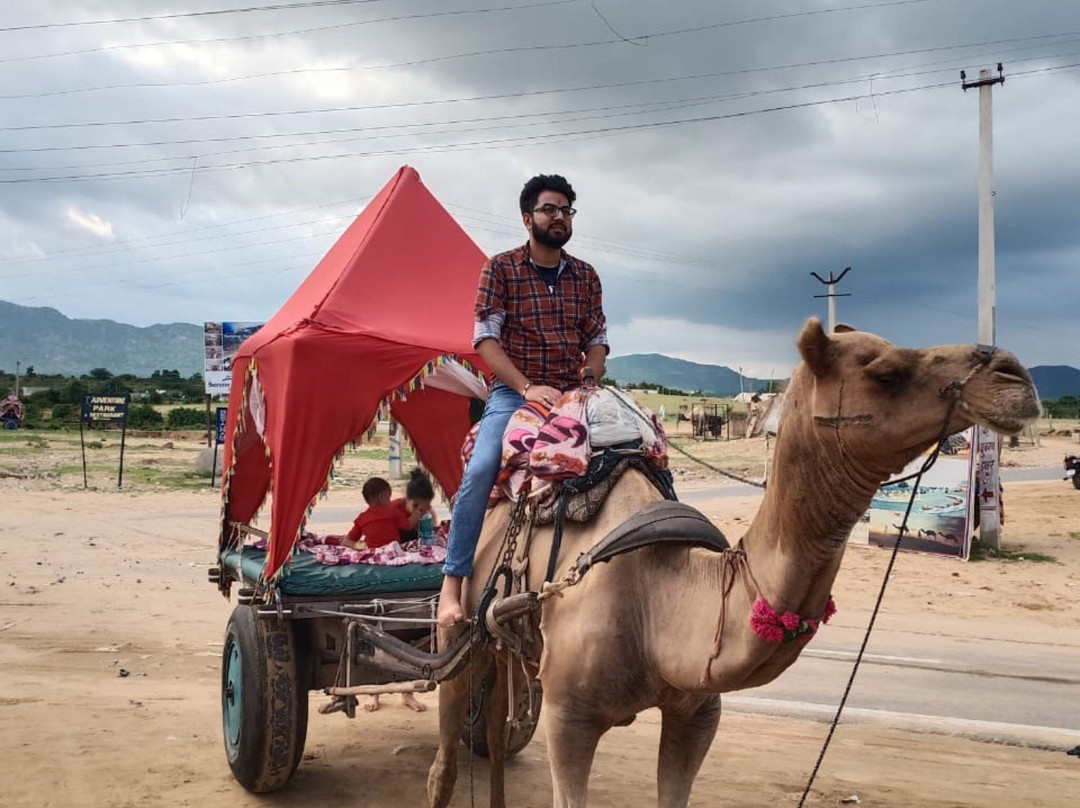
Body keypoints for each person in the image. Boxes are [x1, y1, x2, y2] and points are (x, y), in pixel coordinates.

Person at [437, 173, 608, 627]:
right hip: (516, 394)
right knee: (481, 467)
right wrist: (528, 387)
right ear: (527, 217)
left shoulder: (586, 276)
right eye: (550, 209)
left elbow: (596, 338)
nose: (559, 217)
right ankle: (451, 584)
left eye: (566, 210)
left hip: (574, 396)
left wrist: (590, 375)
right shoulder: (501, 269)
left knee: (636, 451)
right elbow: (485, 341)